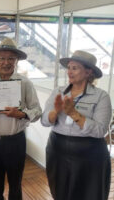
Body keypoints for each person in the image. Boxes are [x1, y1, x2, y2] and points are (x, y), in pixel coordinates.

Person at [0, 37, 42, 200]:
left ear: (17, 60)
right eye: (2, 58)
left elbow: (37, 111)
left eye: (11, 58)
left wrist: (21, 114)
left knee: (15, 183)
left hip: (15, 140)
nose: (6, 62)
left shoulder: (25, 83)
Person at [41, 50, 112, 200]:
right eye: (69, 68)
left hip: (90, 155)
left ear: (88, 72)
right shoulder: (58, 92)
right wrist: (56, 110)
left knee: (88, 194)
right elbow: (44, 121)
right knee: (60, 193)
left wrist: (73, 113)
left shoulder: (101, 96)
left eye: (75, 68)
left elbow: (100, 131)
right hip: (57, 151)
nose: (70, 72)